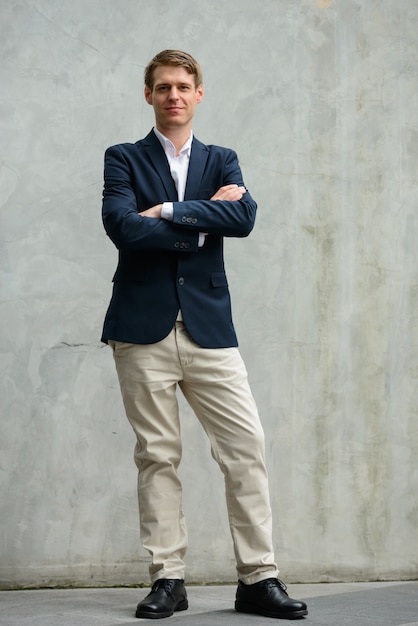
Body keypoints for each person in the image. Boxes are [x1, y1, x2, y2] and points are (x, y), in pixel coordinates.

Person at [101, 49, 308, 621]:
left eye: (184, 86)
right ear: (149, 94)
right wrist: (197, 221)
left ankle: (258, 578)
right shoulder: (122, 157)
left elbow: (242, 219)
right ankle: (169, 578)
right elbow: (122, 227)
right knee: (158, 456)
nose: (174, 95)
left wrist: (165, 210)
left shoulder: (223, 159)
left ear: (199, 94)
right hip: (141, 330)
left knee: (246, 450)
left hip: (209, 329)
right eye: (163, 86)